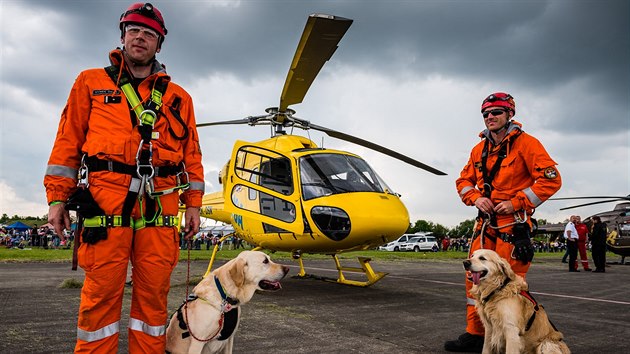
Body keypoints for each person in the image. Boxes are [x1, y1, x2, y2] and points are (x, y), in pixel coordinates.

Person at [43, 3, 205, 352]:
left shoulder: (180, 99)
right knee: (100, 296)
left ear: (159, 45)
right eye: (134, 30)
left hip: (160, 206)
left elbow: (192, 157)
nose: (140, 38)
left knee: (153, 302)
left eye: (149, 34)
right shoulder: (90, 82)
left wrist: (193, 205)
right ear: (123, 36)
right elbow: (67, 144)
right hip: (104, 200)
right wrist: (57, 199)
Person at [447, 92, 562, 352]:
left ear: (510, 114)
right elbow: (463, 182)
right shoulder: (479, 149)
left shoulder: (528, 144)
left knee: (510, 285)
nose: (490, 117)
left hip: (512, 228)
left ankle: (514, 335)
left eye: (496, 112)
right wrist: (476, 198)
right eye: (486, 114)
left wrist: (517, 202)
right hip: (485, 227)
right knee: (473, 280)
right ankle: (476, 334)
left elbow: (551, 180)